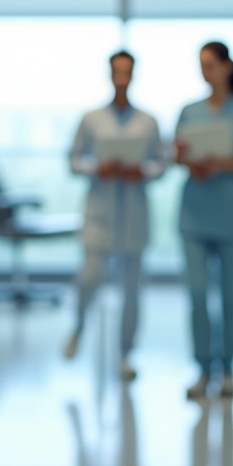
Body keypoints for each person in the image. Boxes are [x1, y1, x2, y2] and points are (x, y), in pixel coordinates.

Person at [175, 41, 233, 399]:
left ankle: (227, 370)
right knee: (198, 295)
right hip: (194, 215)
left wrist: (222, 163)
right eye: (201, 65)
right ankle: (202, 369)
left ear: (228, 67)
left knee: (229, 297)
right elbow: (177, 155)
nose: (206, 71)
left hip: (232, 215)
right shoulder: (189, 111)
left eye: (211, 64)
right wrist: (189, 160)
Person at [63, 51, 165, 380]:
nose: (121, 77)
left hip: (134, 212)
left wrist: (144, 172)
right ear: (109, 74)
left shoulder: (148, 121)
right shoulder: (91, 118)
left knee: (132, 291)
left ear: (133, 75)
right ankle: (78, 326)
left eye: (127, 72)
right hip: (100, 212)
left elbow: (160, 163)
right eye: (116, 71)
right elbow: (74, 160)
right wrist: (97, 167)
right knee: (89, 278)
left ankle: (126, 354)